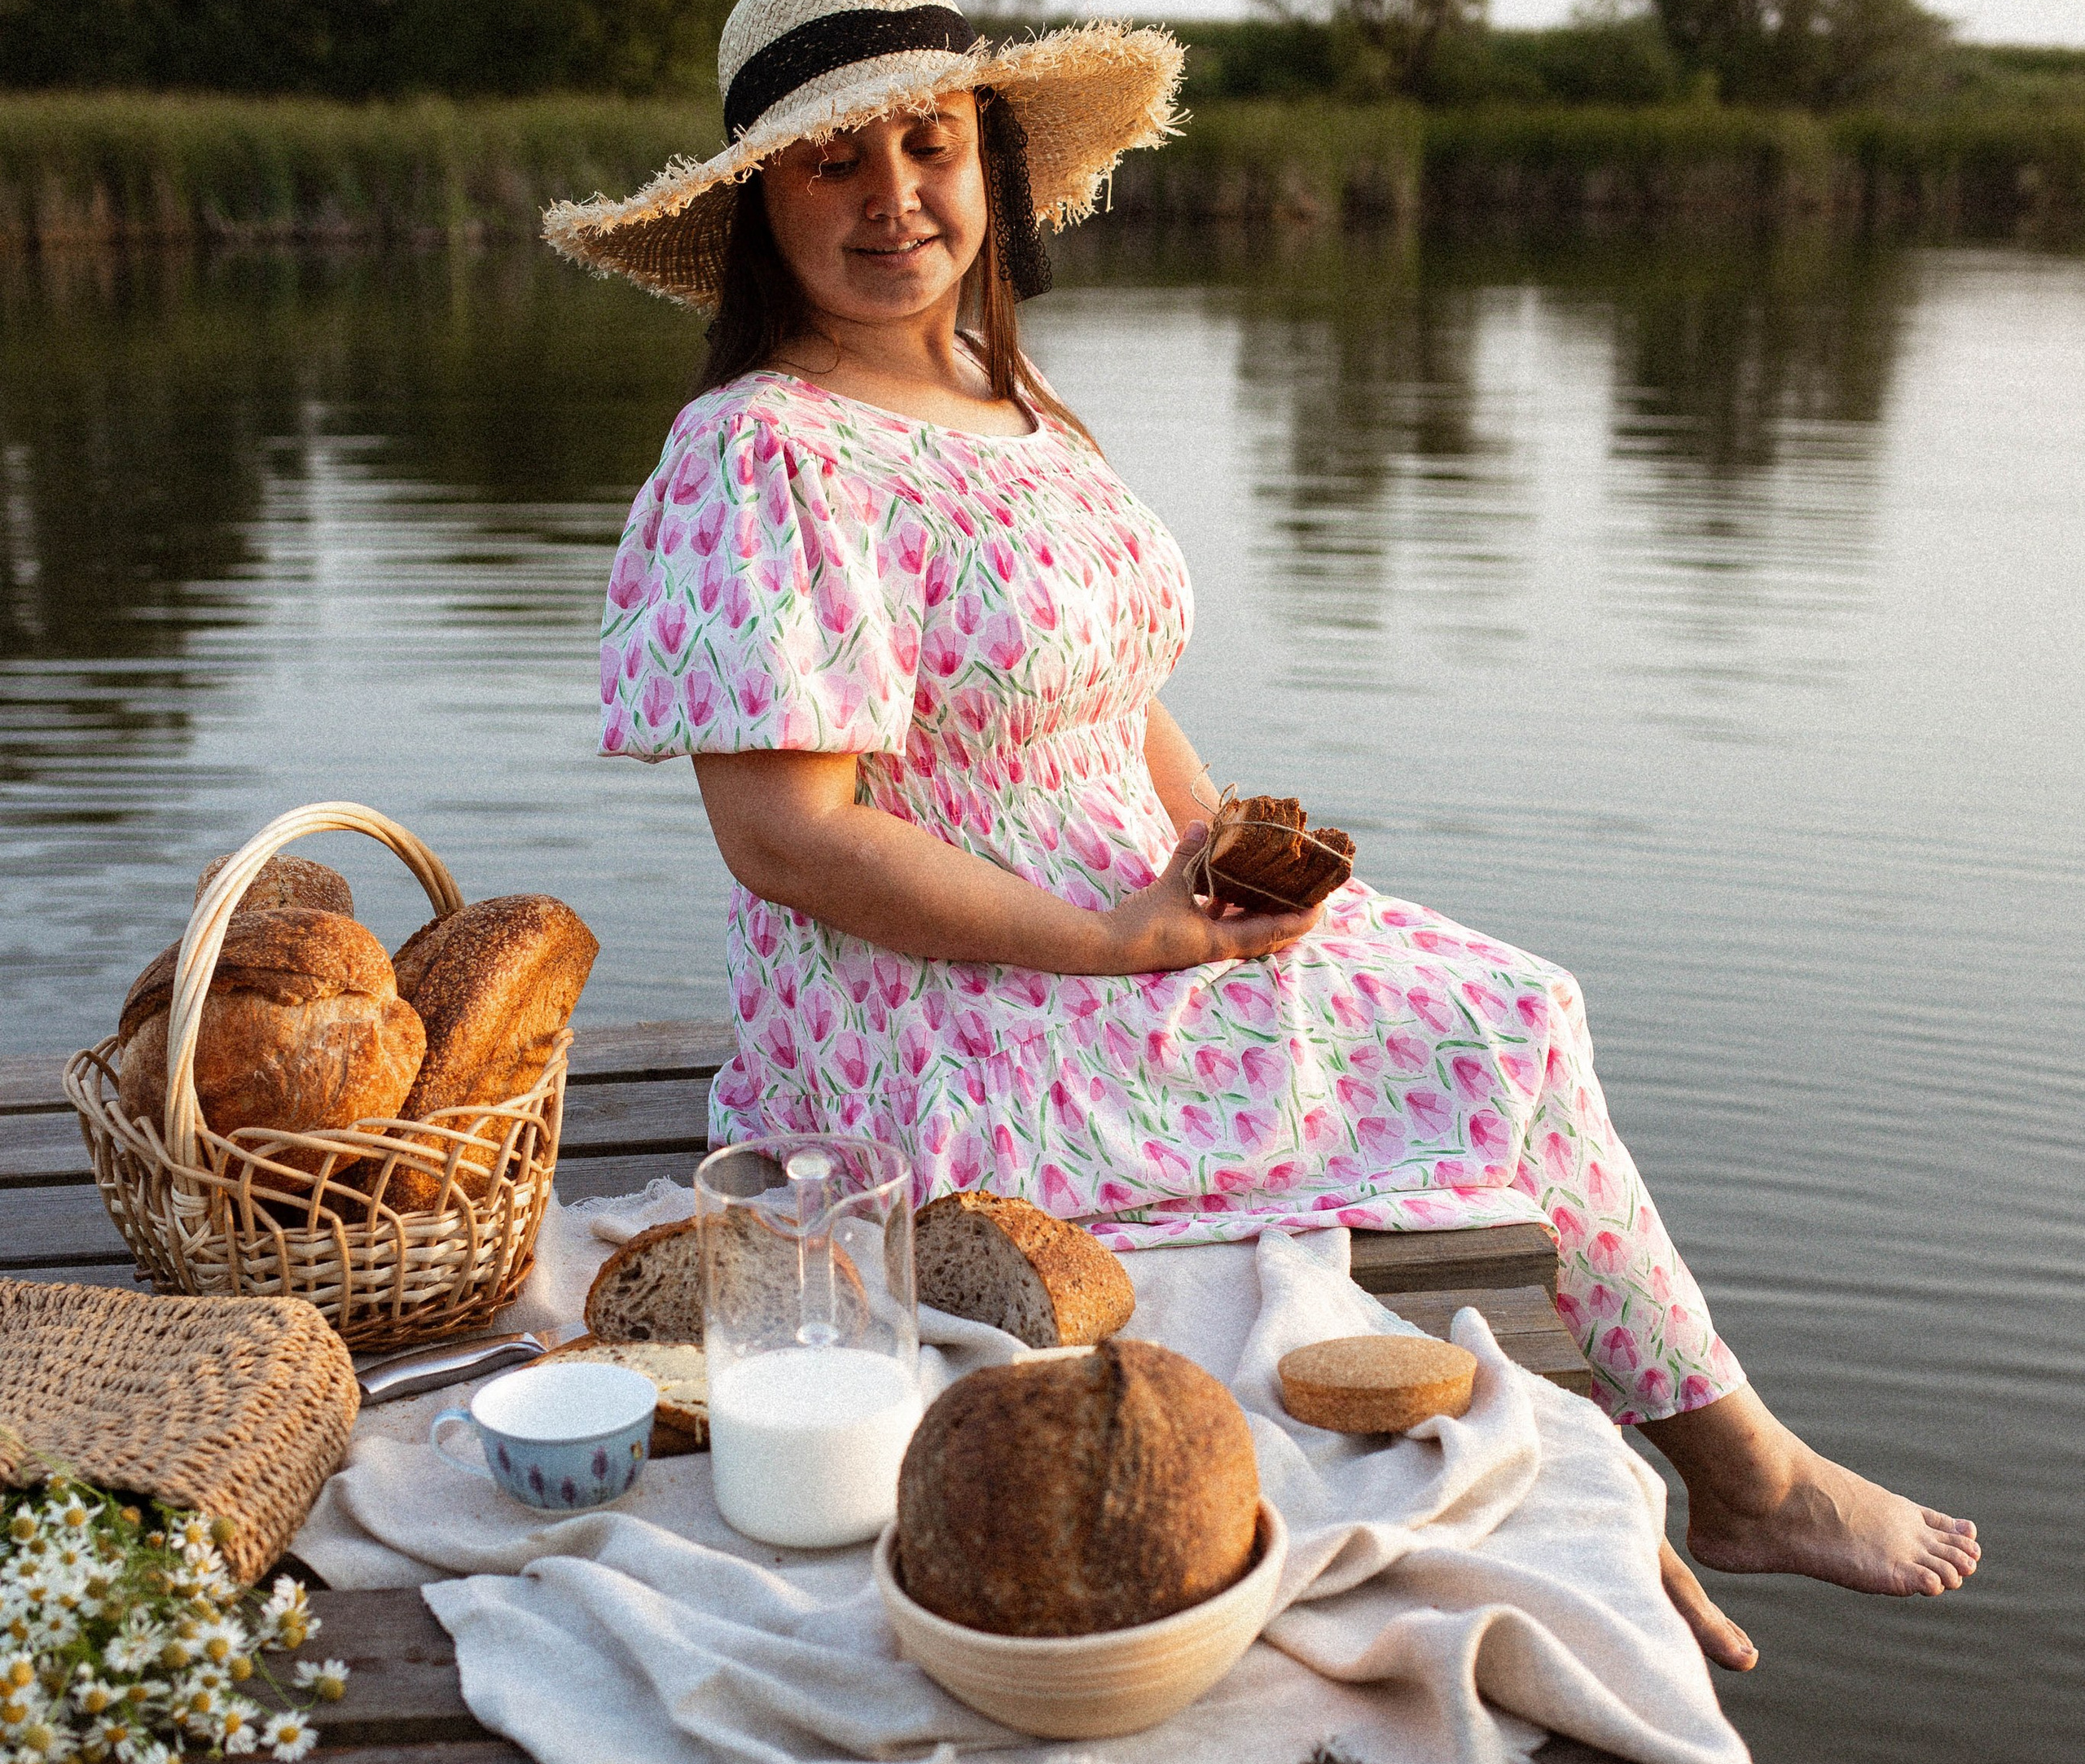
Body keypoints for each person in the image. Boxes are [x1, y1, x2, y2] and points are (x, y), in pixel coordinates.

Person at [546, 0, 1978, 1667]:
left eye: (929, 145)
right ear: (755, 212)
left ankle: (1720, 1466)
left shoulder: (1001, 395)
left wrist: (1216, 837)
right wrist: (1113, 940)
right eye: (831, 162)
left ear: (989, 171)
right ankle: (1684, 1471)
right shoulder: (760, 452)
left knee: (1512, 999)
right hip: (934, 1006)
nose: (894, 199)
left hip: (1131, 908)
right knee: (1487, 1046)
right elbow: (787, 839)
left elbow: (1108, 687)